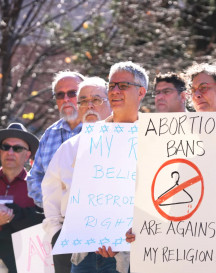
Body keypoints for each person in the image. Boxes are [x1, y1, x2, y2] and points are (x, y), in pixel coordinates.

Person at [126, 61, 216, 273]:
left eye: (204, 88)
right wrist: (144, 226)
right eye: (193, 90)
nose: (197, 94)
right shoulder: (174, 136)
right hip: (190, 245)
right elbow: (162, 189)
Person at [43, 62, 148, 273]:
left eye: (124, 85)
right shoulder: (86, 140)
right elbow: (52, 192)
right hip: (84, 255)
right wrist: (57, 233)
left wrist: (142, 229)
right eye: (112, 85)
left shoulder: (154, 138)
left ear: (141, 92)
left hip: (136, 255)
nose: (115, 91)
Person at [42, 76, 114, 272]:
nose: (88, 106)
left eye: (96, 100)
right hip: (76, 248)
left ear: (111, 103)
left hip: (118, 249)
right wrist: (56, 234)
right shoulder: (67, 149)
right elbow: (51, 194)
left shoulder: (129, 143)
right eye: (82, 101)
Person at [26, 70, 85, 272]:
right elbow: (35, 178)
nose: (66, 99)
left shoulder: (100, 127)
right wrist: (54, 210)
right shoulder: (49, 135)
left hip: (95, 225)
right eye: (60, 95)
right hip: (61, 228)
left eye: (72, 93)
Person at [0, 123, 44, 273]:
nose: (10, 152)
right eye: (5, 147)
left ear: (27, 155)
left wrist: (15, 216)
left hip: (23, 263)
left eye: (17, 148)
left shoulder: (37, 187)